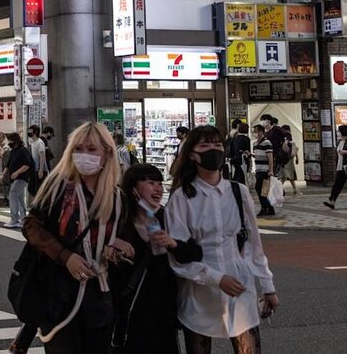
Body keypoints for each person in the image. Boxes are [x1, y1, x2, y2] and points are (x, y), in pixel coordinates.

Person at [18, 122, 132, 352]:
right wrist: (66, 256)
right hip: (58, 295)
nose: (84, 156)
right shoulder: (58, 186)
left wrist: (116, 251)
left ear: (107, 153)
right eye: (78, 149)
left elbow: (116, 238)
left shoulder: (117, 197)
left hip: (99, 298)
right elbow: (31, 226)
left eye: (92, 150)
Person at [166, 125, 278, 354]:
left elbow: (253, 244)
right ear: (191, 154)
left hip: (239, 283)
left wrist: (268, 286)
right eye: (204, 145)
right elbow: (179, 255)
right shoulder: (181, 197)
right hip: (199, 289)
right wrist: (216, 278)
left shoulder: (238, 192)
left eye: (217, 144)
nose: (213, 150)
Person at [111, 163, 203, 353]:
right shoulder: (120, 220)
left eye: (160, 183)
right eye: (150, 182)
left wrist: (173, 243)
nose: (158, 188)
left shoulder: (167, 217)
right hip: (131, 305)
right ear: (133, 188)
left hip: (163, 306)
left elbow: (195, 253)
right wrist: (113, 245)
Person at [2, 132, 31, 229]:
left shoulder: (23, 150)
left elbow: (27, 164)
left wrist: (17, 172)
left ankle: (14, 219)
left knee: (13, 194)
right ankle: (23, 219)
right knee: (19, 197)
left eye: (10, 140)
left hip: (22, 178)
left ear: (15, 140)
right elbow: (8, 165)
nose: (9, 142)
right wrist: (3, 174)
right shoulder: (13, 151)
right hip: (14, 178)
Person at [324, 124, 347, 210]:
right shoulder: (340, 142)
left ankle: (332, 201)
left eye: (339, 131)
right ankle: (331, 201)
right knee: (337, 186)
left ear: (342, 132)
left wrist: (346, 152)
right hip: (341, 167)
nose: (338, 133)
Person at [251, 124, 276, 217]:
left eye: (256, 131)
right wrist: (251, 155)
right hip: (258, 169)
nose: (254, 133)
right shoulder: (255, 143)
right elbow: (258, 155)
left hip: (265, 170)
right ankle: (269, 208)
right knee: (261, 190)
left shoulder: (267, 142)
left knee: (261, 189)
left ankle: (265, 208)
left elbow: (270, 157)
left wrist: (271, 170)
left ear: (261, 131)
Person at [279, 125, 300, 195]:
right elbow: (294, 150)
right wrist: (297, 158)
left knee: (290, 176)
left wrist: (297, 158)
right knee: (286, 176)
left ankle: (295, 189)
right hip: (287, 160)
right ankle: (279, 187)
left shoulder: (286, 139)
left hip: (288, 160)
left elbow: (294, 149)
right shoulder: (285, 139)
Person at [28, 125, 47, 197]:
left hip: (39, 169)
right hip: (34, 169)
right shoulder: (33, 142)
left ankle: (39, 205)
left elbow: (42, 156)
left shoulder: (40, 142)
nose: (28, 132)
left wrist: (41, 170)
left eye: (30, 131)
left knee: (38, 189)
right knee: (31, 188)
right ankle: (38, 204)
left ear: (35, 132)